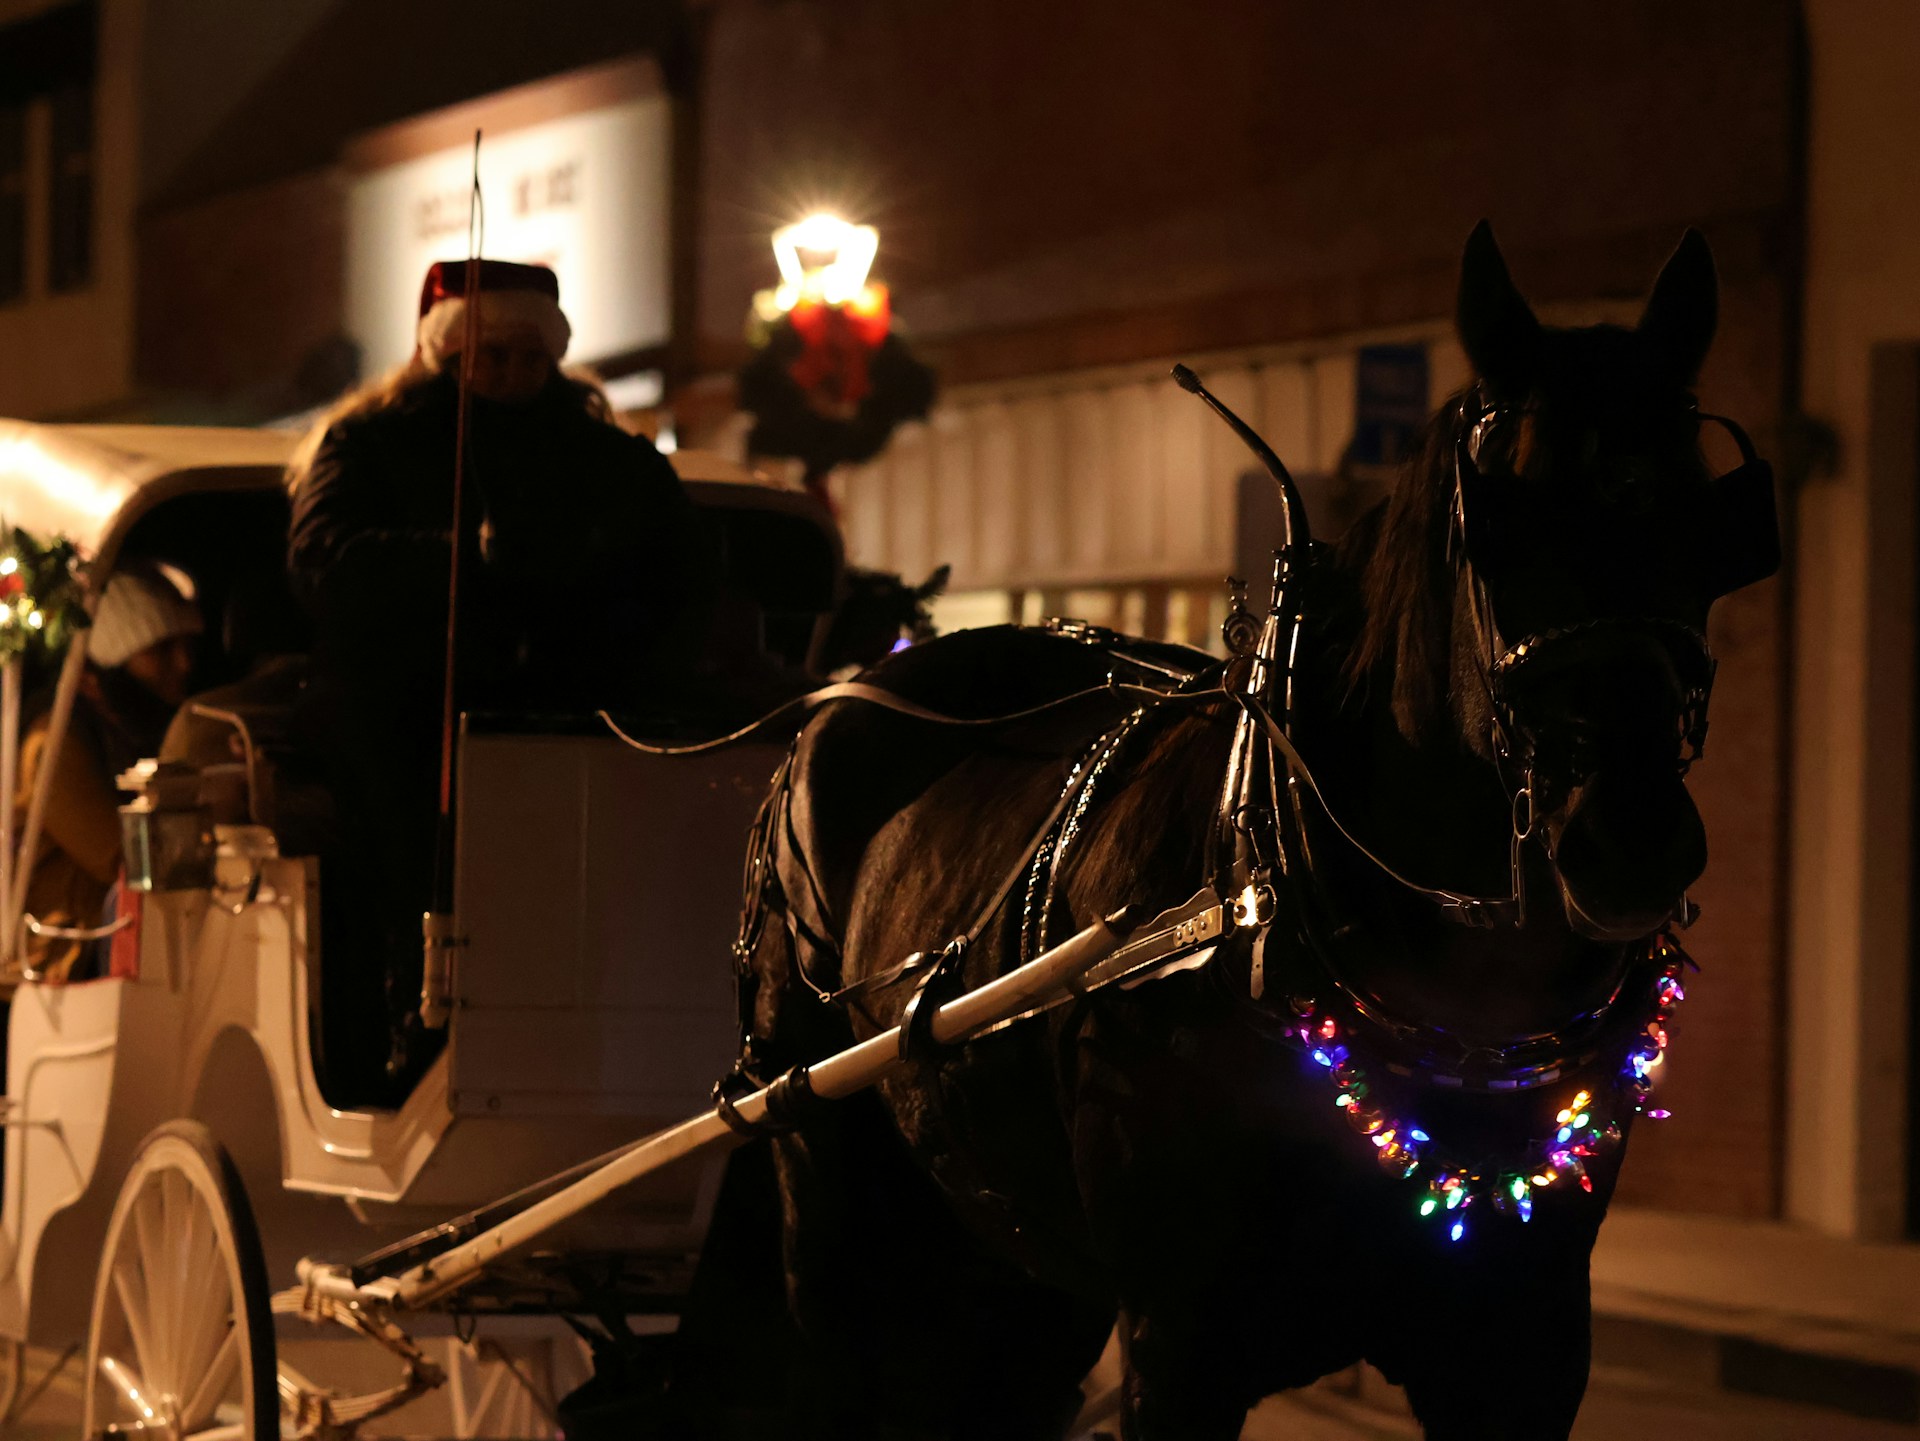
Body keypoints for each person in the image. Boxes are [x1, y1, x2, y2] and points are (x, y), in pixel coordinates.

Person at [285, 258, 693, 1100]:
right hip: (412, 709)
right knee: (410, 853)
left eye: (529, 357)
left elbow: (679, 573)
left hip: (571, 716)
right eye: (490, 355)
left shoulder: (609, 459)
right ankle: (409, 1028)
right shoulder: (367, 443)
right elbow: (326, 561)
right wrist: (463, 559)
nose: (511, 374)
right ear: (445, 354)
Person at [12, 563, 200, 981]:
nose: (184, 664)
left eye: (186, 646)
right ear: (93, 677)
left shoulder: (124, 729)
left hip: (104, 946)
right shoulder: (54, 747)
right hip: (57, 966)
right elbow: (125, 859)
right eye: (159, 651)